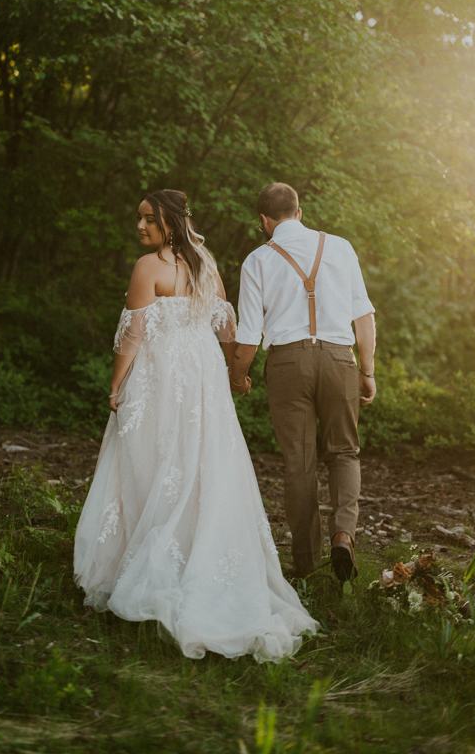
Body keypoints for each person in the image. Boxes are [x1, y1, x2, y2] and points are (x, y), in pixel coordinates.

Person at [73, 189, 319, 662]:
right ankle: (188, 550)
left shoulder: (149, 268)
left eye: (148, 219)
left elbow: (133, 334)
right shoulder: (206, 264)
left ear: (169, 221)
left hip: (162, 374)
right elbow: (226, 326)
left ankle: (152, 558)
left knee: (154, 459)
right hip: (202, 376)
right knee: (199, 461)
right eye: (139, 218)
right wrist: (232, 372)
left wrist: (116, 385)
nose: (140, 227)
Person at [228, 183, 376, 583]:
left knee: (299, 463)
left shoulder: (257, 260)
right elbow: (363, 316)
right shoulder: (340, 248)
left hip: (288, 362)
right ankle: (344, 534)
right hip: (338, 358)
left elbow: (248, 336)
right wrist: (367, 371)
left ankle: (307, 564)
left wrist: (236, 376)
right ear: (300, 210)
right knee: (344, 452)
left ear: (264, 220)